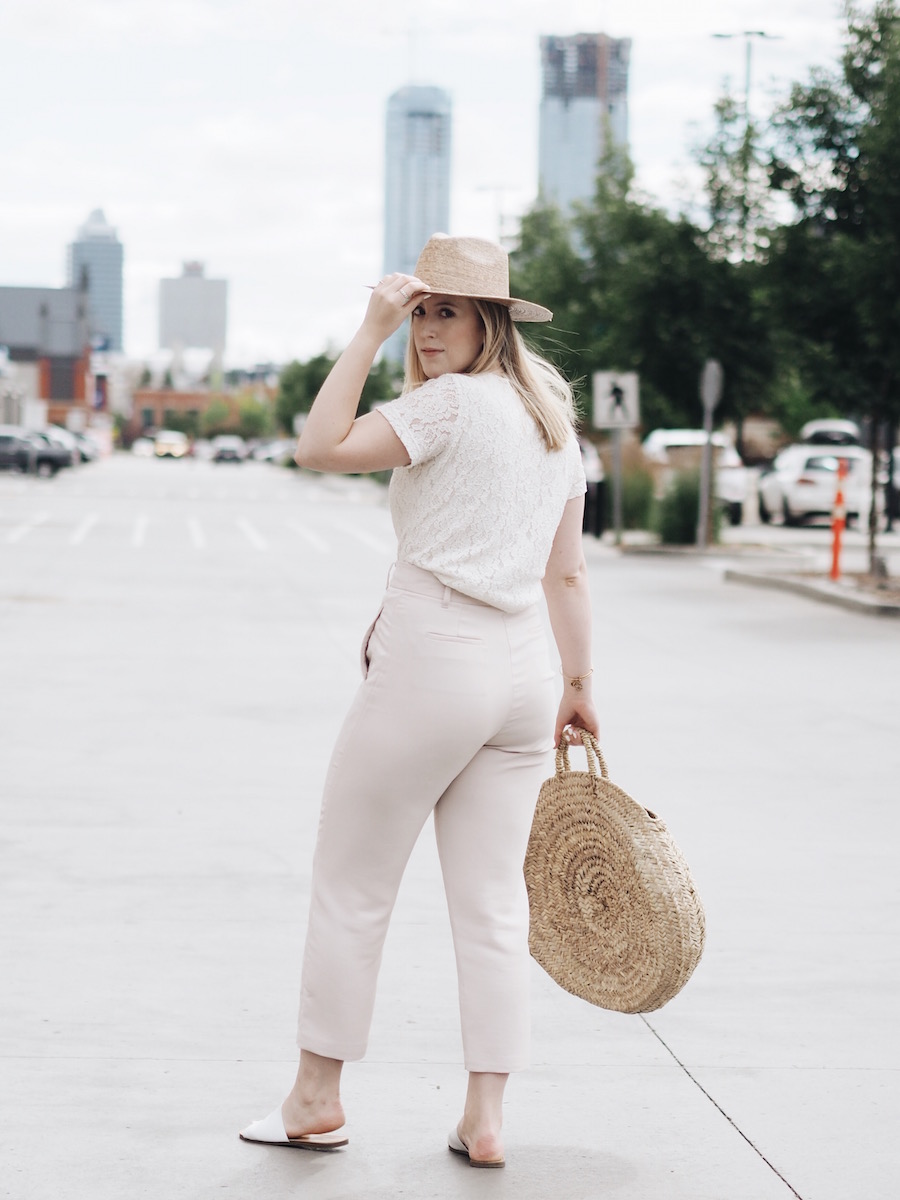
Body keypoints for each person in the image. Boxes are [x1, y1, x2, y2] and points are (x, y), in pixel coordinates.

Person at [240, 233, 599, 1168]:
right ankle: (486, 1119)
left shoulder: (445, 408)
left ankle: (317, 1095)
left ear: (490, 323)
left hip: (439, 653)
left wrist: (365, 333)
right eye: (419, 311)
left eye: (447, 312)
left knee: (354, 881)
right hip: (522, 671)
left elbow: (318, 447)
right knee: (491, 906)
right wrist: (576, 688)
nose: (428, 330)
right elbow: (567, 575)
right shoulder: (556, 420)